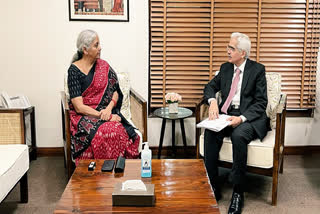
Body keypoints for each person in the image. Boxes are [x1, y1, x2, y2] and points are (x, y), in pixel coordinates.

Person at [203, 32, 269, 214]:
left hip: (249, 117)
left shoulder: (257, 70)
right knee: (210, 132)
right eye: (228, 47)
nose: (227, 51)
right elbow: (209, 87)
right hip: (227, 113)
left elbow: (261, 103)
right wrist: (213, 101)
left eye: (231, 48)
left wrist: (242, 118)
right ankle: (213, 186)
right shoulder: (225, 68)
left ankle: (238, 192)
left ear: (243, 53)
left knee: (239, 136)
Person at [68, 29, 140, 164]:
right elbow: (79, 107)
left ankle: (117, 171)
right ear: (85, 49)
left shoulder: (103, 65)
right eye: (96, 45)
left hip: (105, 112)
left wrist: (108, 109)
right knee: (106, 130)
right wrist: (103, 116)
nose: (100, 48)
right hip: (84, 116)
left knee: (118, 129)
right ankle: (102, 173)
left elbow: (115, 91)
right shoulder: (74, 71)